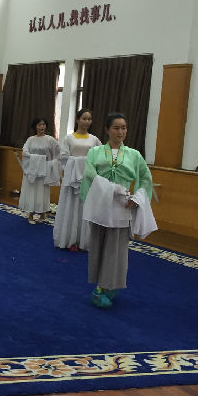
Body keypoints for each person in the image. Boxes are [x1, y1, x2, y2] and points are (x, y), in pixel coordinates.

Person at [80, 113, 156, 309]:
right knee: (98, 244)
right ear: (107, 130)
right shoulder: (95, 152)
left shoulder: (134, 155)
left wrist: (137, 199)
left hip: (122, 206)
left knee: (117, 249)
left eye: (124, 127)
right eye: (116, 128)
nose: (121, 132)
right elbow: (89, 174)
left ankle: (110, 284)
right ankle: (99, 288)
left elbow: (145, 178)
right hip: (101, 204)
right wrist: (111, 189)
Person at [53, 108, 102, 251]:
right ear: (78, 120)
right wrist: (78, 162)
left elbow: (99, 158)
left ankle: (83, 240)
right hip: (72, 179)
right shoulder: (69, 138)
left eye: (89, 119)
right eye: (84, 118)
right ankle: (69, 239)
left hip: (87, 179)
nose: (87, 122)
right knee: (71, 207)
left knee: (84, 207)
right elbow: (63, 157)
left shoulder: (94, 139)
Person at [19, 117, 61, 224]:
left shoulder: (50, 139)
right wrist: (35, 158)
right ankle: (31, 214)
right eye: (39, 125)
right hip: (32, 170)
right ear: (35, 127)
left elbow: (58, 151)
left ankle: (43, 214)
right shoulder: (30, 139)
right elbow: (25, 152)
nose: (42, 127)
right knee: (31, 191)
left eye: (43, 124)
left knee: (43, 192)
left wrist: (51, 163)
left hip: (43, 170)